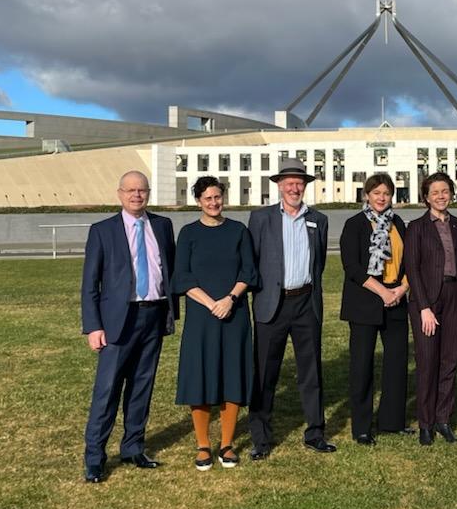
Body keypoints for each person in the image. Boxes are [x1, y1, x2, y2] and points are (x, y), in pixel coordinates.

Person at [81, 170, 177, 483]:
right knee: (107, 391)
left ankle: (133, 447)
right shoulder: (102, 230)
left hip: (153, 316)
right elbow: (89, 285)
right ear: (120, 193)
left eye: (142, 190)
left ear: (148, 193)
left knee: (142, 387)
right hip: (116, 323)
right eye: (130, 190)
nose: (137, 195)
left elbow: (169, 269)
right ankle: (95, 458)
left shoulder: (162, 226)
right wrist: (93, 326)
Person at [247, 157, 332, 459]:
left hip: (305, 303)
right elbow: (252, 260)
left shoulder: (318, 220)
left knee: (310, 371)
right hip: (272, 304)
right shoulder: (261, 218)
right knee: (265, 373)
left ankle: (315, 432)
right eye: (289, 182)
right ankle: (260, 437)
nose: (294, 187)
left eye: (300, 182)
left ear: (305, 186)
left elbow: (318, 262)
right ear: (279, 186)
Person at [173, 177, 258, 470]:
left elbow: (249, 270)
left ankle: (227, 444)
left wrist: (230, 299)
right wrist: (211, 303)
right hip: (201, 316)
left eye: (218, 197)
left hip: (234, 313)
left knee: (232, 372)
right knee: (201, 374)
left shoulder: (238, 231)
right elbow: (181, 277)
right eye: (208, 198)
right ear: (198, 200)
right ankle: (203, 445)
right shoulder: (188, 233)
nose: (213, 202)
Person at [404, 171, 457, 446]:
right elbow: (412, 269)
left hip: (455, 299)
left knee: (449, 361)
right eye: (435, 192)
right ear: (426, 197)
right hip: (427, 301)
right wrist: (424, 307)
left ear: (451, 193)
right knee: (427, 362)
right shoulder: (417, 227)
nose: (440, 196)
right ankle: (425, 423)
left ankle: (443, 419)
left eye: (445, 191)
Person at [339, 173, 412, 445]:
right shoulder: (355, 224)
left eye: (387, 193)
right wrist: (381, 291)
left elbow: (411, 261)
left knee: (396, 363)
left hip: (396, 297)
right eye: (376, 192)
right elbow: (352, 267)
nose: (382, 198)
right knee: (362, 365)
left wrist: (401, 289)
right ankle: (361, 427)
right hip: (366, 299)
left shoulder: (398, 223)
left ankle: (393, 422)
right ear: (366, 195)